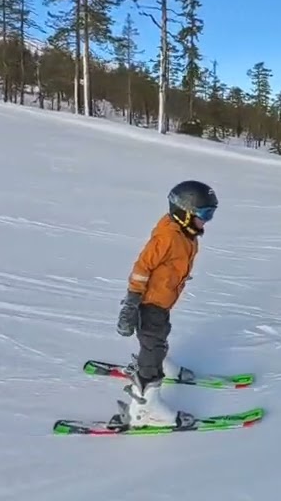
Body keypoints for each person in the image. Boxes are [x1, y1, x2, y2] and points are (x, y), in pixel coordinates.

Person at [114, 179, 219, 427]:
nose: (207, 221)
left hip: (161, 302)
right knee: (153, 345)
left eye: (211, 214)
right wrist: (131, 304)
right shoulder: (168, 238)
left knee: (158, 337)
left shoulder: (186, 234)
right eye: (204, 214)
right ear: (185, 213)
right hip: (149, 302)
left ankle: (156, 362)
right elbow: (142, 268)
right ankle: (144, 409)